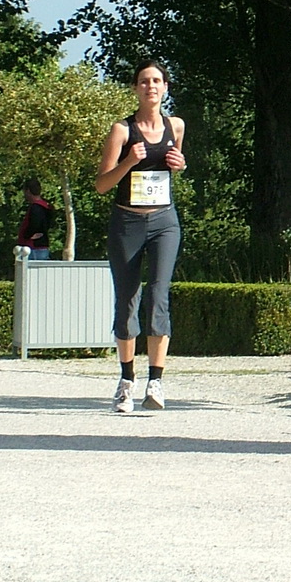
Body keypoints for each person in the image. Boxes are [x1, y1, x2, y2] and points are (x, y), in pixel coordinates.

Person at [94, 60, 186, 415]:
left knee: (159, 295)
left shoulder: (175, 126)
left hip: (164, 221)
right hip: (127, 223)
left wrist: (181, 164)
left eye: (157, 81)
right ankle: (126, 381)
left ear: (165, 88)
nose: (151, 86)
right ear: (136, 88)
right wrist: (129, 162)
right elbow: (102, 185)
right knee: (128, 299)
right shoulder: (122, 130)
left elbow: (175, 164)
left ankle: (156, 381)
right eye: (145, 81)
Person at [17, 179, 55, 260]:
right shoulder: (46, 206)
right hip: (41, 246)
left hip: (33, 247)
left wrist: (27, 235)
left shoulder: (36, 208)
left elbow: (35, 224)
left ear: (28, 191)